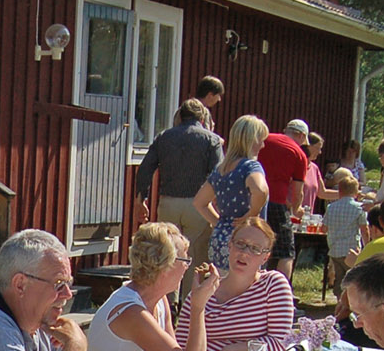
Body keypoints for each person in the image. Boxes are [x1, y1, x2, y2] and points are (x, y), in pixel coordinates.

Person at [86, 222, 220, 351]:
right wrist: (198, 308)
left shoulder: (159, 301)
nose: (186, 267)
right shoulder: (131, 313)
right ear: (166, 265)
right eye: (185, 259)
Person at [173, 218, 299, 351]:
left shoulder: (272, 284)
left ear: (265, 257)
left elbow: (281, 342)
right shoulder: (203, 292)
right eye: (241, 244)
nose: (245, 253)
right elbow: (180, 347)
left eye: (255, 248)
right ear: (230, 245)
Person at [133, 99, 223, 300]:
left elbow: (146, 169)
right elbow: (218, 174)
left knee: (168, 253)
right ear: (202, 118)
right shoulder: (212, 140)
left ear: (180, 115)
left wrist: (142, 199)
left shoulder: (164, 137)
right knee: (193, 257)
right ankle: (188, 302)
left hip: (169, 202)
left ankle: (168, 301)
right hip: (198, 205)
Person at [194, 114, 270, 269]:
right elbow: (261, 191)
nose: (263, 146)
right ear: (251, 139)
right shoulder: (250, 167)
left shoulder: (221, 169)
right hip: (247, 244)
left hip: (220, 241)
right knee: (245, 291)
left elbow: (199, 202)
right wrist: (252, 214)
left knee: (221, 288)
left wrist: (219, 223)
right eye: (261, 140)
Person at [257, 119, 311, 276]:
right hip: (277, 203)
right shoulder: (299, 154)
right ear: (301, 136)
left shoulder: (265, 139)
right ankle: (281, 292)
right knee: (286, 250)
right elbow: (298, 190)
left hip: (253, 196)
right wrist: (296, 208)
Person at [323, 170, 367, 290]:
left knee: (339, 276)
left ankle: (338, 299)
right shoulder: (359, 208)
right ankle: (349, 301)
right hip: (351, 249)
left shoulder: (331, 207)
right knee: (352, 277)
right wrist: (367, 245)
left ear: (340, 191)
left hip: (334, 248)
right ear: (356, 192)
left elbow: (324, 227)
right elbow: (364, 229)